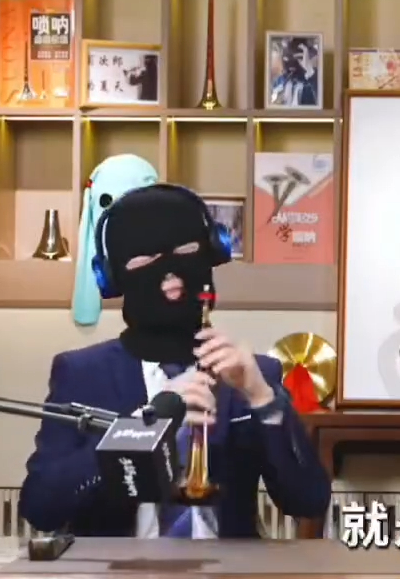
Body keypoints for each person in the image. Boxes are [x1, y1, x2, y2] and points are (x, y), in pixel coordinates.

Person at [18, 184, 331, 538]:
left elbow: (309, 501)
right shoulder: (82, 373)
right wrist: (142, 428)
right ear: (112, 276)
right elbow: (40, 508)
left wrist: (263, 398)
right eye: (145, 260)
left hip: (226, 568)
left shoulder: (256, 374)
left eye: (186, 252)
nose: (170, 276)